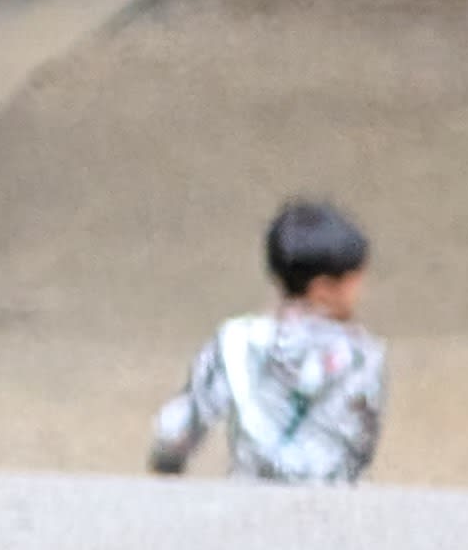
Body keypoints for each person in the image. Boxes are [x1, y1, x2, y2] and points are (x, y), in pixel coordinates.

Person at [149, 200, 385, 484]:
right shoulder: (362, 355)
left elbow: (177, 429)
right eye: (354, 281)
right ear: (323, 288)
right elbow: (360, 445)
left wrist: (165, 473)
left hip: (250, 504)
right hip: (331, 511)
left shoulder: (234, 341)